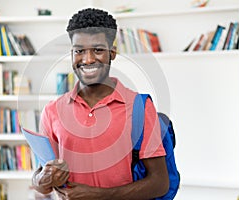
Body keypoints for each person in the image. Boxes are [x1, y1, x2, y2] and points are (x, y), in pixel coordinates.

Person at [32, 8, 169, 200]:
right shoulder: (52, 111)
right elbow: (40, 181)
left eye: (97, 50)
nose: (87, 59)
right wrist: (43, 179)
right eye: (79, 51)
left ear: (112, 52)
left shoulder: (140, 107)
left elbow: (160, 183)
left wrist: (100, 195)